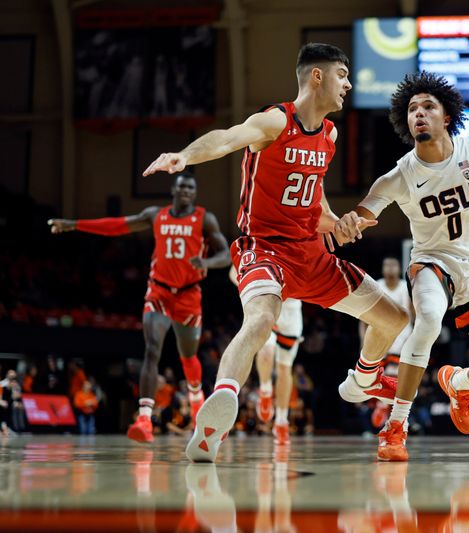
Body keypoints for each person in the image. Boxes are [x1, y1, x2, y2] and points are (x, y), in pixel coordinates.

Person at [143, 43, 408, 462]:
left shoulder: (330, 135)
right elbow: (226, 139)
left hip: (310, 254)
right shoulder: (275, 121)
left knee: (394, 317)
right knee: (263, 318)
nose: (349, 84)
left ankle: (365, 378)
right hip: (263, 249)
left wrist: (337, 223)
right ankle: (219, 411)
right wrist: (185, 156)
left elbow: (315, 203)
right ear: (317, 77)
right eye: (343, 74)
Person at [335, 71, 469, 461]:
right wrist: (348, 223)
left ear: (447, 117)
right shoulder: (398, 176)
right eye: (412, 109)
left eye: (428, 106)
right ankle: (396, 426)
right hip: (432, 262)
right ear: (405, 121)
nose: (419, 114)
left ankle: (459, 381)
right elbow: (360, 214)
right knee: (426, 320)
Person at [48, 173, 231, 443]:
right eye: (181, 186)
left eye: (190, 188)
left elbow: (225, 254)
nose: (185, 191)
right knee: (151, 349)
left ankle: (196, 403)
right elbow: (118, 225)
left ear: (195, 192)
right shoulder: (156, 214)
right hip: (158, 291)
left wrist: (208, 264)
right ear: (173, 189)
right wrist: (75, 224)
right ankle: (144, 418)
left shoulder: (205, 218)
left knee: (188, 356)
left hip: (188, 295)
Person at [229, 265, 303, 445]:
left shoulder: (304, 240)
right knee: (266, 350)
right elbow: (234, 272)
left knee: (285, 368)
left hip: (291, 310)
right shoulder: (260, 238)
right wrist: (252, 286)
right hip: (267, 304)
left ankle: (281, 422)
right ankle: (265, 390)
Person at [360, 257, 415, 429]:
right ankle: (384, 406)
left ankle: (388, 409)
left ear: (399, 268)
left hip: (402, 336)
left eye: (394, 264)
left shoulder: (406, 288)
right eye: (387, 265)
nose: (390, 267)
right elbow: (363, 318)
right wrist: (363, 341)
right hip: (379, 333)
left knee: (396, 374)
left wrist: (414, 337)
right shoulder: (376, 285)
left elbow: (414, 315)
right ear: (382, 268)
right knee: (378, 377)